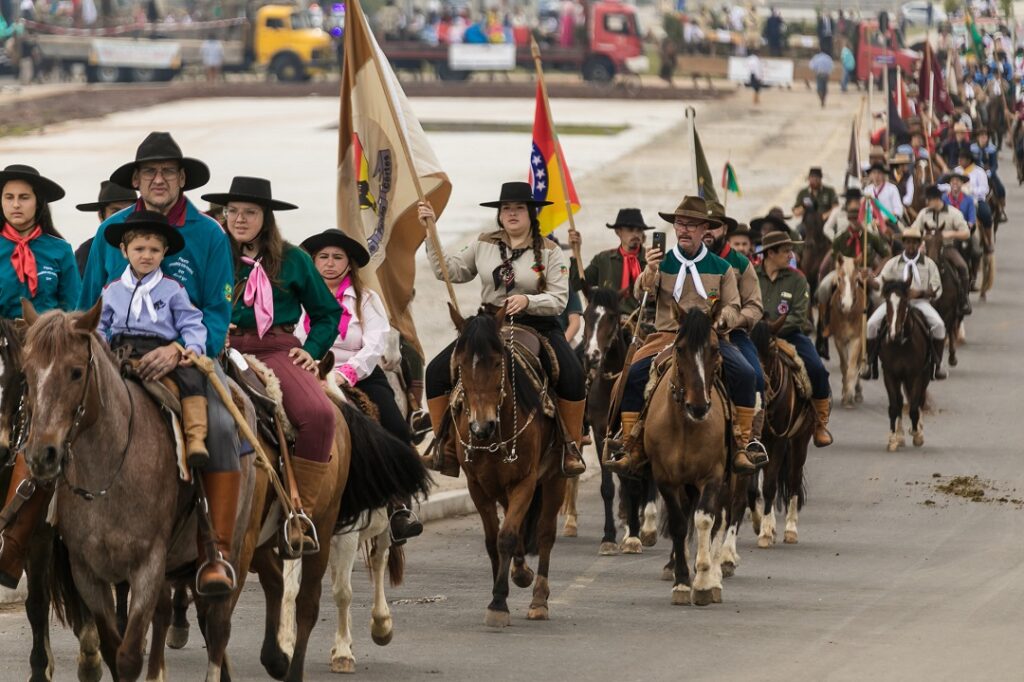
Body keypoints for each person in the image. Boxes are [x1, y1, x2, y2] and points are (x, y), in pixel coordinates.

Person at [79, 132, 239, 594]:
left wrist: (181, 351)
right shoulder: (110, 233)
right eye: (150, 172)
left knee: (223, 425)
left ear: (183, 178)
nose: (159, 179)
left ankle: (217, 552)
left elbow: (215, 311)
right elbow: (88, 304)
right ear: (135, 180)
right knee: (57, 415)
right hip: (113, 359)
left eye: (169, 171)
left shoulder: (209, 233)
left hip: (183, 356)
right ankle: (40, 529)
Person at [201, 176, 341, 553]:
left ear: (267, 217)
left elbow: (328, 313)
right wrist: (210, 323)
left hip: (275, 347)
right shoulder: (211, 254)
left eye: (250, 212)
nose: (240, 219)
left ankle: (301, 516)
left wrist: (311, 350)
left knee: (319, 414)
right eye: (233, 212)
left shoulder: (294, 259)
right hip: (219, 344)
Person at [419, 182, 587, 478]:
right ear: (499, 214)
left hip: (537, 324)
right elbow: (450, 270)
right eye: (506, 208)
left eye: (519, 208)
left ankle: (570, 447)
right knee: (435, 371)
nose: (511, 213)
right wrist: (430, 232)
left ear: (531, 213)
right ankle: (444, 446)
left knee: (573, 373)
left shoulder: (549, 251)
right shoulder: (483, 243)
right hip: (489, 325)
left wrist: (527, 300)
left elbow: (559, 300)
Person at [604, 196, 763, 475]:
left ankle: (742, 442)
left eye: (691, 224)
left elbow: (734, 305)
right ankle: (630, 441)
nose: (684, 230)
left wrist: (723, 319)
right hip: (666, 335)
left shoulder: (722, 267)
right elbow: (642, 294)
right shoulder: (660, 262)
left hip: (708, 337)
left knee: (746, 373)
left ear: (705, 229)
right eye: (680, 224)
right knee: (634, 373)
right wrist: (649, 272)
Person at [0, 164, 81, 589]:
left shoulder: (58, 251)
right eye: (10, 197)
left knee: (50, 421)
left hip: (44, 348)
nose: (16, 205)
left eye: (24, 197)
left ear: (38, 204)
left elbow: (73, 306)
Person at [99, 211, 210, 468]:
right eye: (139, 248)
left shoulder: (173, 289)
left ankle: (196, 438)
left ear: (164, 252)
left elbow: (191, 322)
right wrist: (100, 345)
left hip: (160, 347)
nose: (146, 255)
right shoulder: (111, 290)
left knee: (192, 376)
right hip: (120, 349)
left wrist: (191, 348)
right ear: (124, 251)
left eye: (154, 250)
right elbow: (99, 325)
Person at [755, 231, 833, 446]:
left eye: (791, 250)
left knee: (817, 369)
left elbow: (799, 316)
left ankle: (820, 423)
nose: (790, 255)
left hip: (790, 335)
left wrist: (770, 329)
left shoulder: (798, 279)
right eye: (786, 251)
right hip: (754, 336)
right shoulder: (751, 275)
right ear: (770, 253)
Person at [706, 203, 768, 466]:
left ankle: (750, 438)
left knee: (754, 375)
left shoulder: (741, 263)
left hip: (734, 335)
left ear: (725, 230)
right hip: (695, 334)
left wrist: (734, 319)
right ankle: (635, 435)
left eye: (715, 226)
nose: (708, 231)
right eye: (704, 225)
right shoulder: (687, 257)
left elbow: (755, 306)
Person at [862, 227, 947, 380]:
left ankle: (938, 364)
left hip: (919, 302)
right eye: (908, 242)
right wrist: (868, 279)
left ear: (919, 244)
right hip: (895, 303)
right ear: (903, 243)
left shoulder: (929, 264)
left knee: (939, 325)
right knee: (871, 324)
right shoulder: (893, 263)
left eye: (914, 243)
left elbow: (937, 287)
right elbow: (880, 282)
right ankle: (870, 362)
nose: (911, 246)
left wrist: (920, 292)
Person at [567, 207, 652, 315]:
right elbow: (577, 284)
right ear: (618, 232)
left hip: (642, 323)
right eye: (630, 229)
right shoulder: (603, 259)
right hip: (609, 324)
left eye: (639, 230)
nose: (635, 234)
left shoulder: (651, 260)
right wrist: (575, 251)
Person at [910, 185, 972, 315]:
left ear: (937, 199)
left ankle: (964, 299)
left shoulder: (953, 213)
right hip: (926, 249)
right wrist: (920, 242)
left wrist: (951, 234)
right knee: (909, 266)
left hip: (947, 248)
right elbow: (913, 230)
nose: (927, 202)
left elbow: (966, 233)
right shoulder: (923, 213)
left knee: (962, 266)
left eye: (929, 199)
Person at [73, 180, 138, 275]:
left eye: (129, 211)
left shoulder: (152, 245)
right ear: (101, 215)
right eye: (116, 212)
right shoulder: (87, 251)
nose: (123, 217)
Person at [953, 147, 992, 229]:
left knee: (986, 214)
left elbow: (985, 189)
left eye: (962, 159)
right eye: (959, 158)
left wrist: (971, 190)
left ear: (969, 160)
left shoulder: (979, 172)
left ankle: (988, 240)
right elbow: (948, 184)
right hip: (957, 200)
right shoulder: (956, 171)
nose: (959, 160)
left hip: (976, 201)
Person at [862, 162, 903, 231]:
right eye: (874, 173)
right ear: (871, 175)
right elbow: (864, 210)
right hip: (871, 225)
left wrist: (882, 220)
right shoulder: (867, 190)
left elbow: (898, 211)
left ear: (883, 175)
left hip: (889, 224)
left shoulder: (892, 188)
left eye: (879, 173)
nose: (876, 176)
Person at [970, 127, 1005, 208]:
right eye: (981, 136)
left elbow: (995, 165)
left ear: (988, 138)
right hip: (976, 173)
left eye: (985, 136)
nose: (983, 138)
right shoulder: (972, 148)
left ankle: (1000, 207)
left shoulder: (992, 149)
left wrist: (990, 172)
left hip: (989, 172)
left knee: (1000, 188)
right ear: (977, 137)